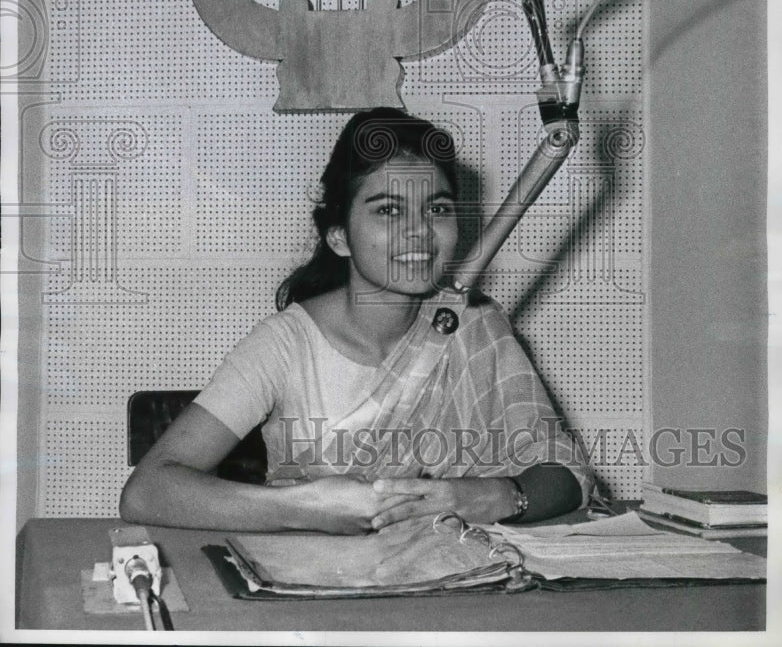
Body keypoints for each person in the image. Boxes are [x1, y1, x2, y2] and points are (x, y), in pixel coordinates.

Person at [120, 107, 592, 534]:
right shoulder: (286, 344)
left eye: (438, 209)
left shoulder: (473, 325)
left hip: (456, 586)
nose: (419, 231)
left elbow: (567, 475)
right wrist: (300, 507)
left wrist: (486, 495)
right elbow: (147, 492)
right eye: (388, 209)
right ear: (340, 237)